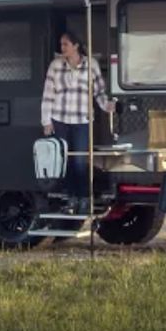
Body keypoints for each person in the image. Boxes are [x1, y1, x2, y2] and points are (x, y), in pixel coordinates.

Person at [41, 31, 114, 206]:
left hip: (82, 120)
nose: (62, 48)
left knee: (80, 161)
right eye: (61, 44)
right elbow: (48, 94)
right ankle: (71, 197)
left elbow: (99, 92)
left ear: (76, 46)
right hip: (60, 119)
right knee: (64, 161)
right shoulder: (56, 65)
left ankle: (84, 197)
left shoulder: (91, 65)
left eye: (65, 44)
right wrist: (46, 121)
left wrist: (108, 106)